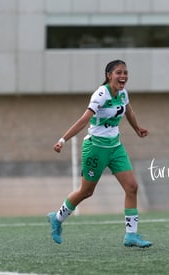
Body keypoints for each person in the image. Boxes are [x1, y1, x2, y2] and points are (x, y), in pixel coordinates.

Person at [47, 60, 152, 248]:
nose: (123, 76)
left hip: (115, 147)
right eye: (119, 72)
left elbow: (128, 110)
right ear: (109, 75)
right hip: (95, 148)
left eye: (126, 73)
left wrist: (137, 128)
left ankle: (131, 235)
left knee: (132, 187)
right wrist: (63, 140)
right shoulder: (101, 94)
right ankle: (57, 218)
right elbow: (83, 120)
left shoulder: (123, 93)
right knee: (86, 191)